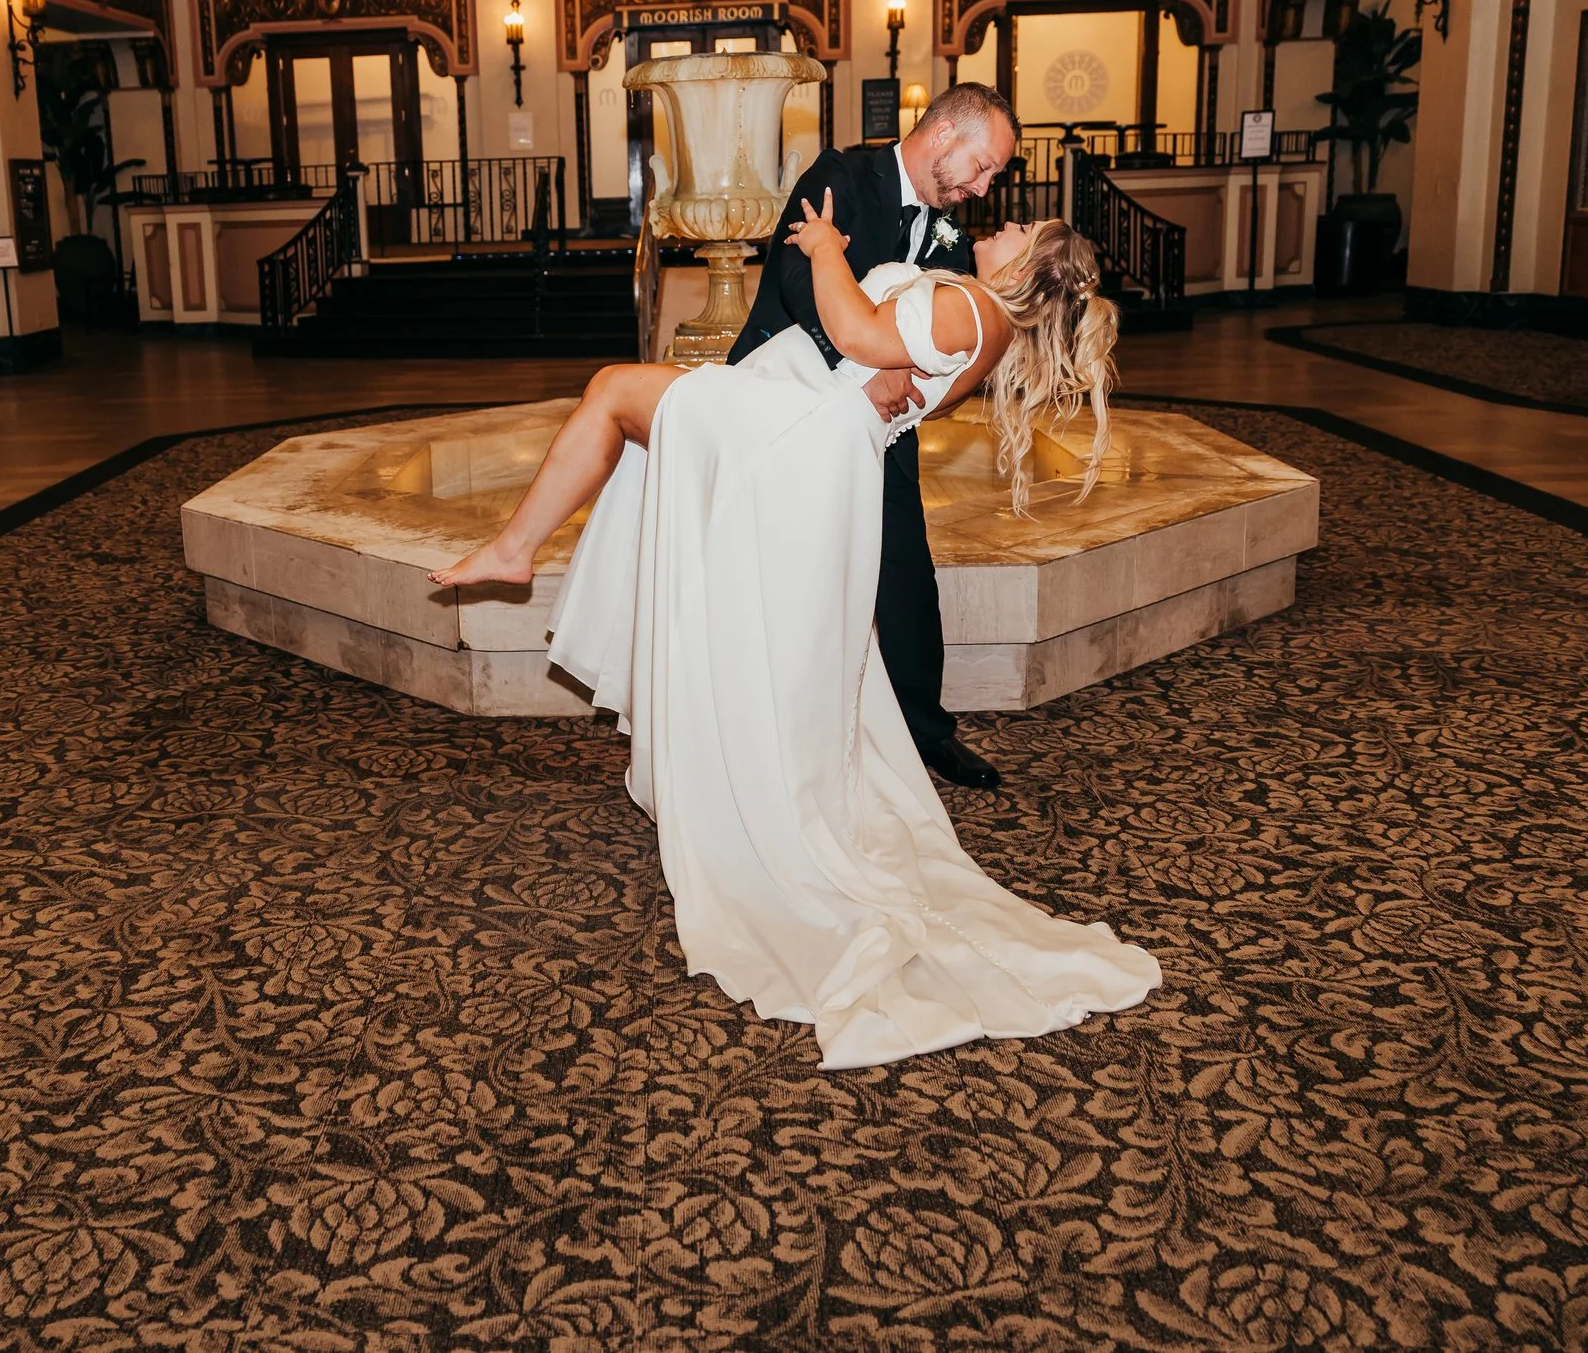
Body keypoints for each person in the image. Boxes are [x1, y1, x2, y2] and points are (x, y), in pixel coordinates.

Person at [428, 208, 1158, 1068]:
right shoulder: (978, 315)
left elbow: (854, 326)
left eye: (1024, 225)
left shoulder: (975, 308)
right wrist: (877, 364)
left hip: (797, 434)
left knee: (617, 393)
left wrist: (827, 251)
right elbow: (885, 368)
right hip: (806, 428)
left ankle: (517, 550)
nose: (1007, 219)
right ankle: (540, 569)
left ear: (1031, 261)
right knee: (632, 420)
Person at [733, 84, 1017, 793]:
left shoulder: (949, 231)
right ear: (946, 132)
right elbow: (799, 281)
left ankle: (926, 731)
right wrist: (856, 375)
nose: (983, 187)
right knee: (787, 567)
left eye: (992, 178)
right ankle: (773, 727)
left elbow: (937, 326)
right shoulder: (840, 176)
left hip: (882, 419)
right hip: (792, 395)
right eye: (982, 167)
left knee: (905, 565)